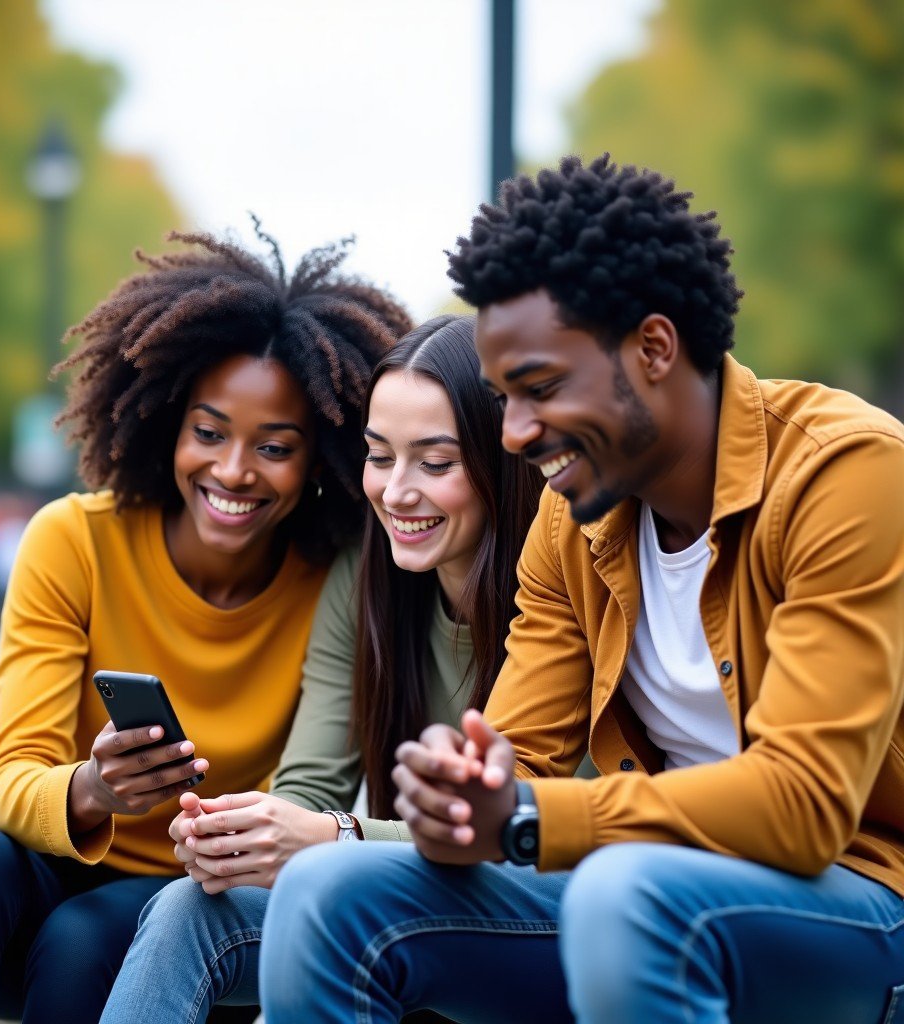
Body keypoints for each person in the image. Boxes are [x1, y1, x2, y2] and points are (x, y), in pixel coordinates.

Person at [257, 155, 904, 1024]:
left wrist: (523, 817)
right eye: (502, 398)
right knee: (328, 894)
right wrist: (464, 791)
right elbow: (521, 754)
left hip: (866, 893)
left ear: (654, 349)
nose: (517, 434)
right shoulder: (573, 522)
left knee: (624, 893)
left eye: (542, 390)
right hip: (645, 894)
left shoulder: (848, 473)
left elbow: (803, 804)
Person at [0, 226, 410, 1024]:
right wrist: (96, 788)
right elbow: (6, 781)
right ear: (169, 424)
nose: (233, 471)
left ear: (323, 457)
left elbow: (310, 795)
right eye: (208, 433)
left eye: (274, 446)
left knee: (82, 939)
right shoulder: (74, 539)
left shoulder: (333, 584)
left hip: (175, 899)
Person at [98, 314, 543, 1023]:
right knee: (190, 907)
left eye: (434, 463)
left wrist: (340, 837)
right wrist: (243, 834)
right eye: (379, 455)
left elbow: (541, 822)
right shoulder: (366, 579)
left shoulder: (564, 588)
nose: (396, 492)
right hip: (415, 895)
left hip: (553, 903)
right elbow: (311, 786)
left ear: (502, 462)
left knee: (327, 892)